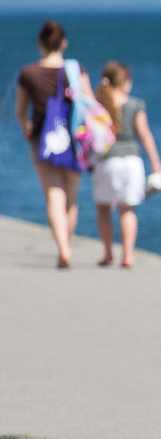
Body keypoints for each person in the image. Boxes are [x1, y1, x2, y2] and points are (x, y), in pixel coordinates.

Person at [14, 20, 93, 269]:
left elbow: (20, 111)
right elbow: (89, 104)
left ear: (40, 43)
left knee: (53, 197)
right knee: (71, 199)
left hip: (42, 139)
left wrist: (26, 126)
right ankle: (65, 246)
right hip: (74, 140)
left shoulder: (28, 73)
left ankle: (63, 248)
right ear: (64, 44)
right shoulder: (75, 69)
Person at [92, 61, 161, 268]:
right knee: (127, 210)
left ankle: (107, 253)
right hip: (132, 162)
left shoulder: (98, 105)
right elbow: (144, 135)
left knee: (103, 209)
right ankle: (128, 256)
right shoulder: (135, 104)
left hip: (106, 161)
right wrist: (156, 163)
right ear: (124, 80)